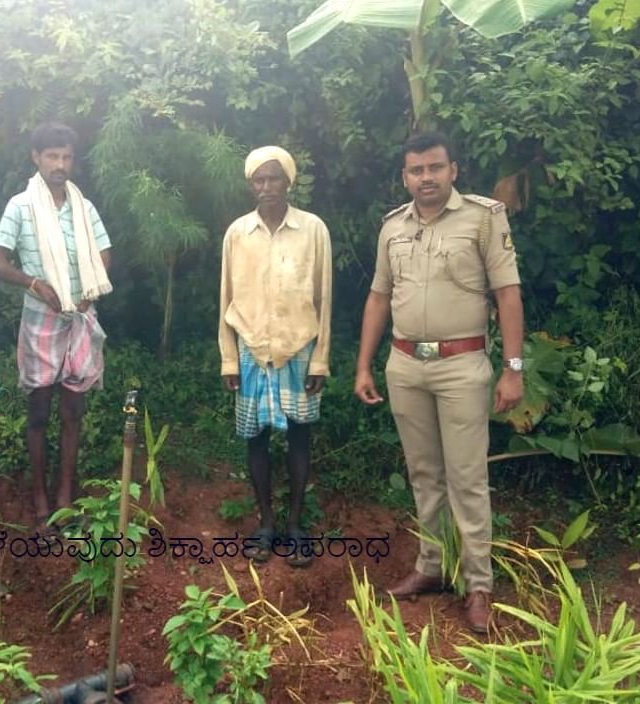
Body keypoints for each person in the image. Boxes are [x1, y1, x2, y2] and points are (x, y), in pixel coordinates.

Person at [353, 131, 525, 634]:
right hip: (405, 365)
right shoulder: (392, 227)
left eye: (434, 168)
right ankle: (432, 566)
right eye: (416, 170)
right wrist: (365, 365)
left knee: (467, 478)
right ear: (405, 176)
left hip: (462, 365)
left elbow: (508, 295)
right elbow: (378, 298)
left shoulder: (483, 218)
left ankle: (478, 584)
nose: (425, 178)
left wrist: (513, 371)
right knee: (424, 473)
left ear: (453, 170)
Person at [0, 122, 112, 534]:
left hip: (80, 319)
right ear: (36, 158)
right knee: (39, 412)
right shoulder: (21, 206)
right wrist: (34, 284)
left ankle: (64, 496)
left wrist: (91, 290)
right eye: (52, 156)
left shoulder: (83, 206)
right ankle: (40, 498)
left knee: (73, 411)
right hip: (41, 321)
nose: (60, 164)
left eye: (66, 157)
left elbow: (104, 253)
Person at [218, 145, 333, 568]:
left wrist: (320, 359)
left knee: (300, 435)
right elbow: (226, 300)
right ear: (251, 184)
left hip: (298, 347)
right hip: (251, 349)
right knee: (256, 438)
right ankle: (266, 521)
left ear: (289, 181)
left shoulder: (313, 230)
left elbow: (324, 297)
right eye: (258, 180)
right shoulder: (237, 234)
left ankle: (297, 523)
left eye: (274, 178)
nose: (266, 187)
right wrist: (229, 358)